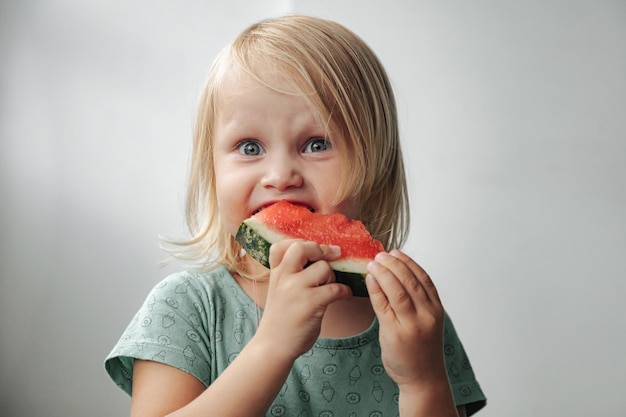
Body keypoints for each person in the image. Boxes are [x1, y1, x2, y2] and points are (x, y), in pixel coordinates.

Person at [105, 14, 487, 417]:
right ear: (211, 167)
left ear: (377, 166)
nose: (280, 176)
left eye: (317, 144)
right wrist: (273, 345)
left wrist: (422, 380)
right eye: (249, 147)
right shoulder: (189, 307)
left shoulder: (411, 315)